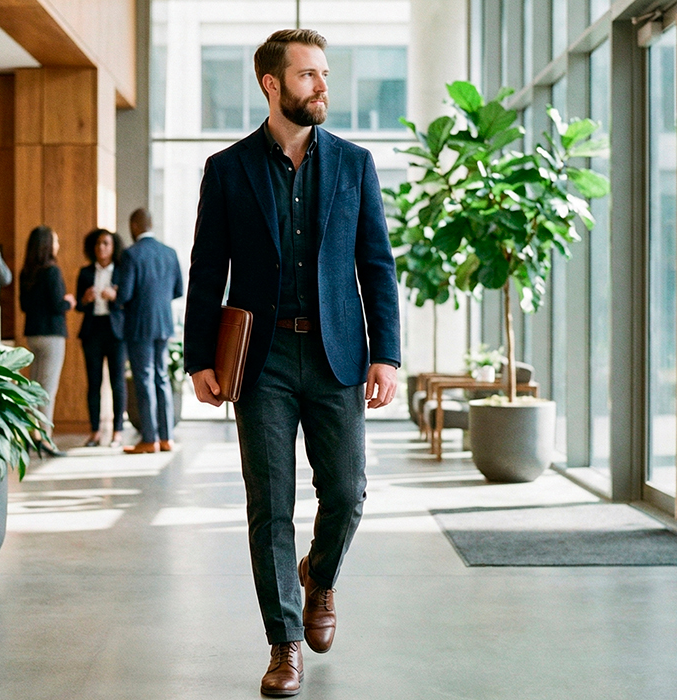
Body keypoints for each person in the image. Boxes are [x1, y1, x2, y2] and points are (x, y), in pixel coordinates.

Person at [183, 29, 400, 697]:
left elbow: (376, 266)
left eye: (324, 73)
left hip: (337, 355)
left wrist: (386, 355)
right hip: (263, 358)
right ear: (271, 85)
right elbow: (206, 268)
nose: (322, 86)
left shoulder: (356, 164)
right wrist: (198, 359)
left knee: (346, 493)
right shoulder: (228, 169)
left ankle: (321, 577)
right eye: (308, 75)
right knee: (268, 505)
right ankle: (283, 644)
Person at [115, 208, 184, 454]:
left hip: (139, 326)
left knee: (144, 380)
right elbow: (178, 290)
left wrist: (115, 295)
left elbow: (125, 294)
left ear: (134, 225)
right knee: (162, 378)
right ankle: (166, 438)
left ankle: (149, 439)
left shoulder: (131, 254)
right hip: (164, 325)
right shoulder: (169, 252)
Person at [20, 225, 77, 458]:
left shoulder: (27, 272)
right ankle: (45, 439)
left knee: (33, 387)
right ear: (47, 245)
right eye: (55, 240)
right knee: (47, 390)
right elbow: (57, 305)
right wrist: (69, 302)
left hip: (32, 335)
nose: (58, 244)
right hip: (52, 336)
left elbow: (24, 306)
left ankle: (29, 435)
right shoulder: (52, 271)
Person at [75, 228, 127, 448]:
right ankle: (95, 431)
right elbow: (78, 305)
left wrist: (116, 296)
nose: (101, 248)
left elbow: (128, 301)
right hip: (92, 330)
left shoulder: (122, 272)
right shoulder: (85, 272)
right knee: (93, 383)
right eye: (97, 244)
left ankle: (117, 432)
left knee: (117, 382)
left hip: (116, 332)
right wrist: (85, 299)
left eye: (106, 243)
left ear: (113, 247)